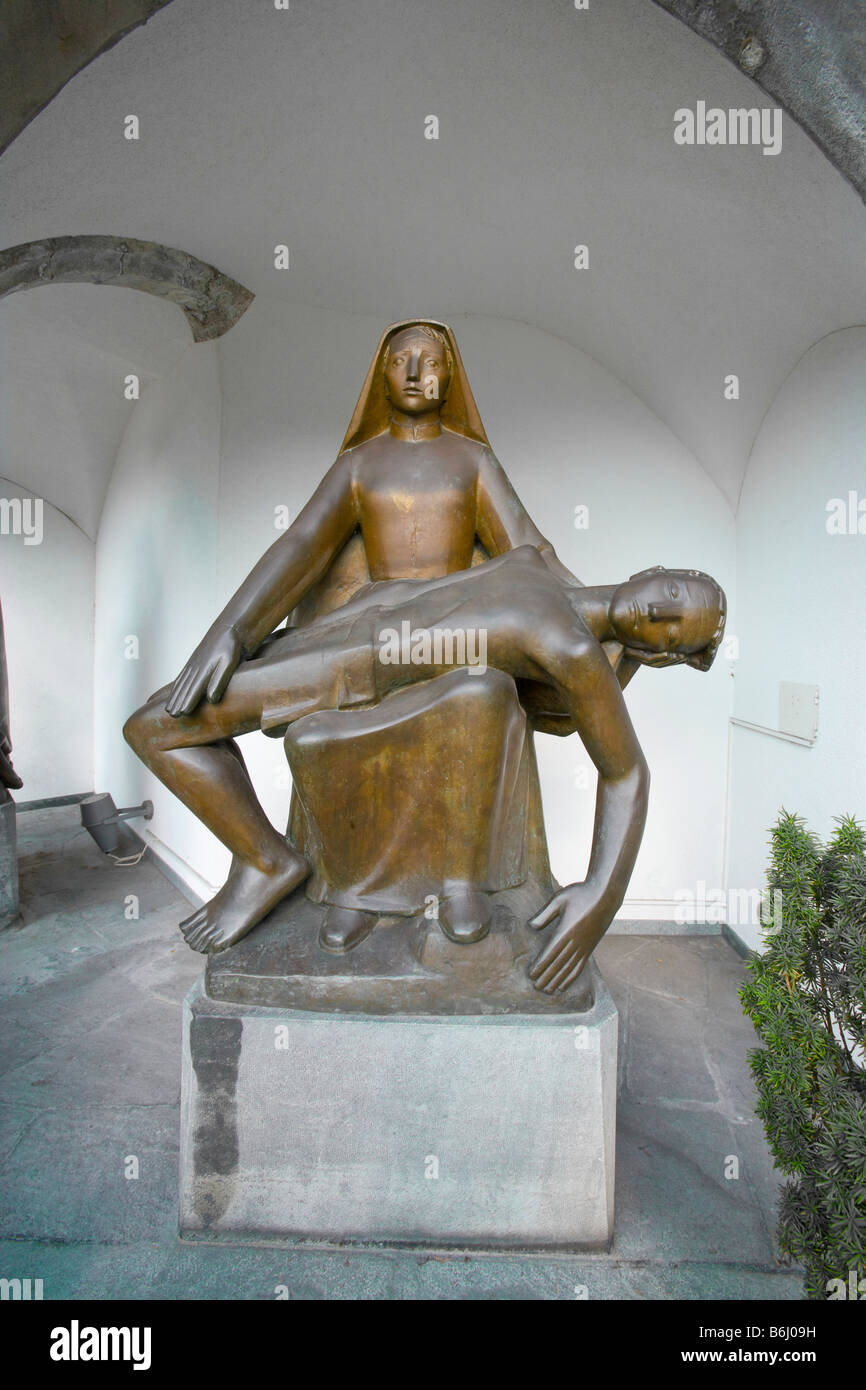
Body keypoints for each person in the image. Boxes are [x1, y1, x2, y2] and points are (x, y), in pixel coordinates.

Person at [125, 319, 580, 960]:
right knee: (172, 726)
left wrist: (607, 619)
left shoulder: (472, 460)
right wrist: (232, 631)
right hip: (363, 641)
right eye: (402, 360)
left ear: (450, 375)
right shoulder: (361, 465)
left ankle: (459, 881)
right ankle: (295, 870)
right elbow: (302, 546)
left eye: (430, 360)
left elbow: (533, 555)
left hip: (454, 642)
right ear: (381, 375)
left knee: (482, 695)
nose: (417, 372)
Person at [125, 540, 725, 993]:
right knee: (162, 718)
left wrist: (602, 895)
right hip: (336, 630)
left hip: (350, 668)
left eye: (673, 633)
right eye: (671, 597)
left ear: (661, 653)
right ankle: (270, 859)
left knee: (154, 730)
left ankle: (264, 859)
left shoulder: (572, 649)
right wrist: (246, 629)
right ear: (654, 573)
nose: (657, 615)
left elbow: (626, 771)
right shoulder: (534, 559)